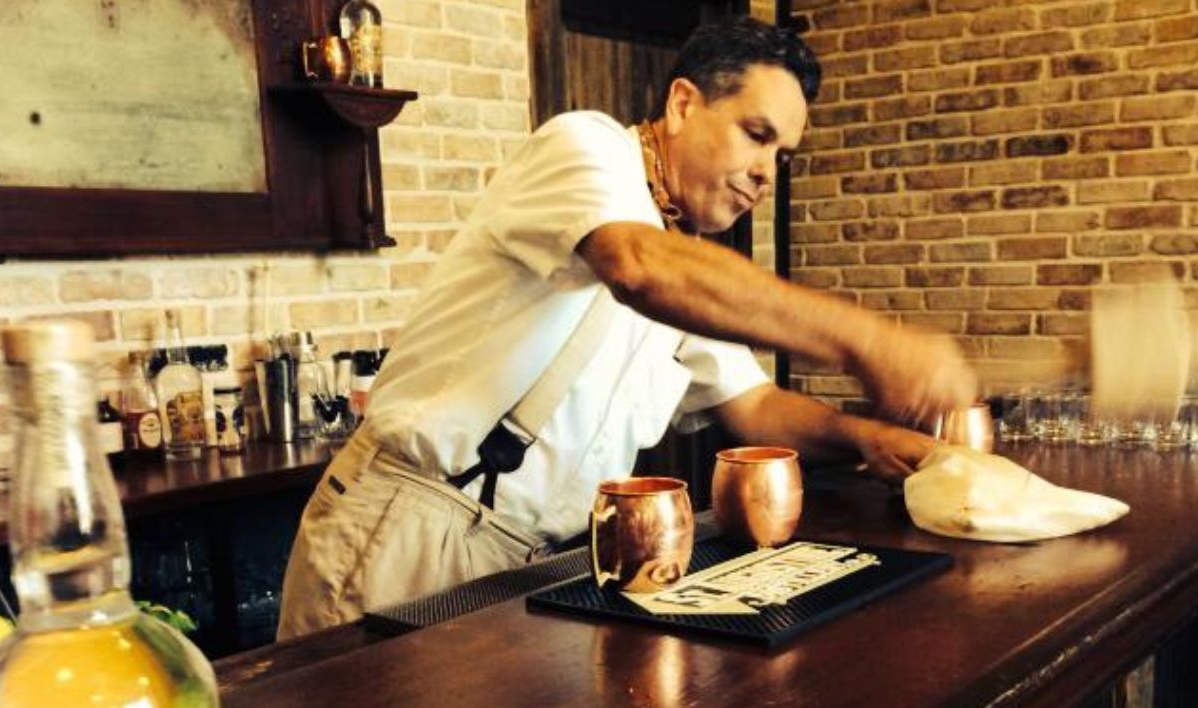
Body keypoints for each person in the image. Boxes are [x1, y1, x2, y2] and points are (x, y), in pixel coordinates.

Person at [278, 16, 978, 640]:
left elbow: (755, 406)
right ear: (682, 104)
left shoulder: (690, 266)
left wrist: (870, 439)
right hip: (414, 527)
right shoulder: (585, 149)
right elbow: (637, 266)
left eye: (781, 156)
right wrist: (867, 338)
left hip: (547, 562)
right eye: (756, 136)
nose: (765, 174)